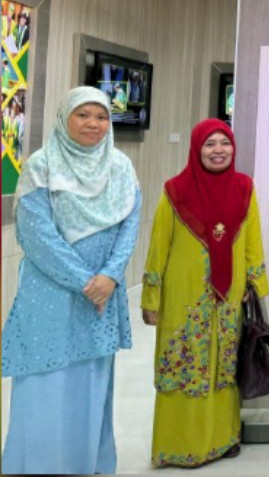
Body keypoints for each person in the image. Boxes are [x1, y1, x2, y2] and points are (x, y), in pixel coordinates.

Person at [1, 86, 141, 474]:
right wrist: (86, 281)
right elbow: (37, 236)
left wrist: (110, 276)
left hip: (102, 294)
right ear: (65, 118)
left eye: (101, 116)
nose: (93, 124)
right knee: (47, 377)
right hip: (50, 292)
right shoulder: (42, 166)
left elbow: (130, 224)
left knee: (90, 378)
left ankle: (85, 462)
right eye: (83, 115)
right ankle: (40, 465)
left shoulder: (120, 166)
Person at [142, 119, 269, 468]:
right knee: (184, 364)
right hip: (184, 296)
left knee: (223, 365)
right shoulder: (175, 191)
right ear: (196, 149)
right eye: (209, 144)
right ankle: (177, 446)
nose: (218, 150)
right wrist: (151, 297)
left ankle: (222, 440)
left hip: (229, 297)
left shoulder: (244, 188)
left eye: (224, 143)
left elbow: (253, 240)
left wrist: (254, 284)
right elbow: (158, 246)